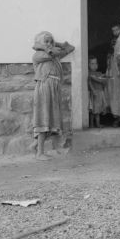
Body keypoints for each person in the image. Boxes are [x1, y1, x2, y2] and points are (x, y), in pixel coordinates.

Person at [31, 31, 75, 160]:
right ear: (40, 43)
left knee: (50, 118)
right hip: (45, 87)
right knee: (43, 117)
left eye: (51, 41)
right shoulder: (38, 55)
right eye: (47, 41)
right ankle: (39, 153)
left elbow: (70, 48)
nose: (50, 44)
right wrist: (44, 47)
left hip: (53, 88)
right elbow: (53, 53)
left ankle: (35, 146)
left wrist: (55, 44)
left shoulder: (53, 55)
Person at [104, 22, 120, 120]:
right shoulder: (113, 41)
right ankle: (115, 115)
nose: (115, 32)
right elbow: (110, 54)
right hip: (113, 65)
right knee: (113, 89)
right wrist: (109, 64)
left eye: (117, 30)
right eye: (113, 30)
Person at [88, 55, 108, 128]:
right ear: (88, 65)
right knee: (94, 111)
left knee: (98, 111)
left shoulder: (99, 73)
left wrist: (100, 78)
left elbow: (104, 81)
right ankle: (92, 124)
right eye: (92, 64)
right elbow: (90, 83)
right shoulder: (89, 74)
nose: (95, 66)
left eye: (96, 63)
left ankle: (97, 124)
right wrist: (93, 90)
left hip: (100, 93)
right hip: (95, 94)